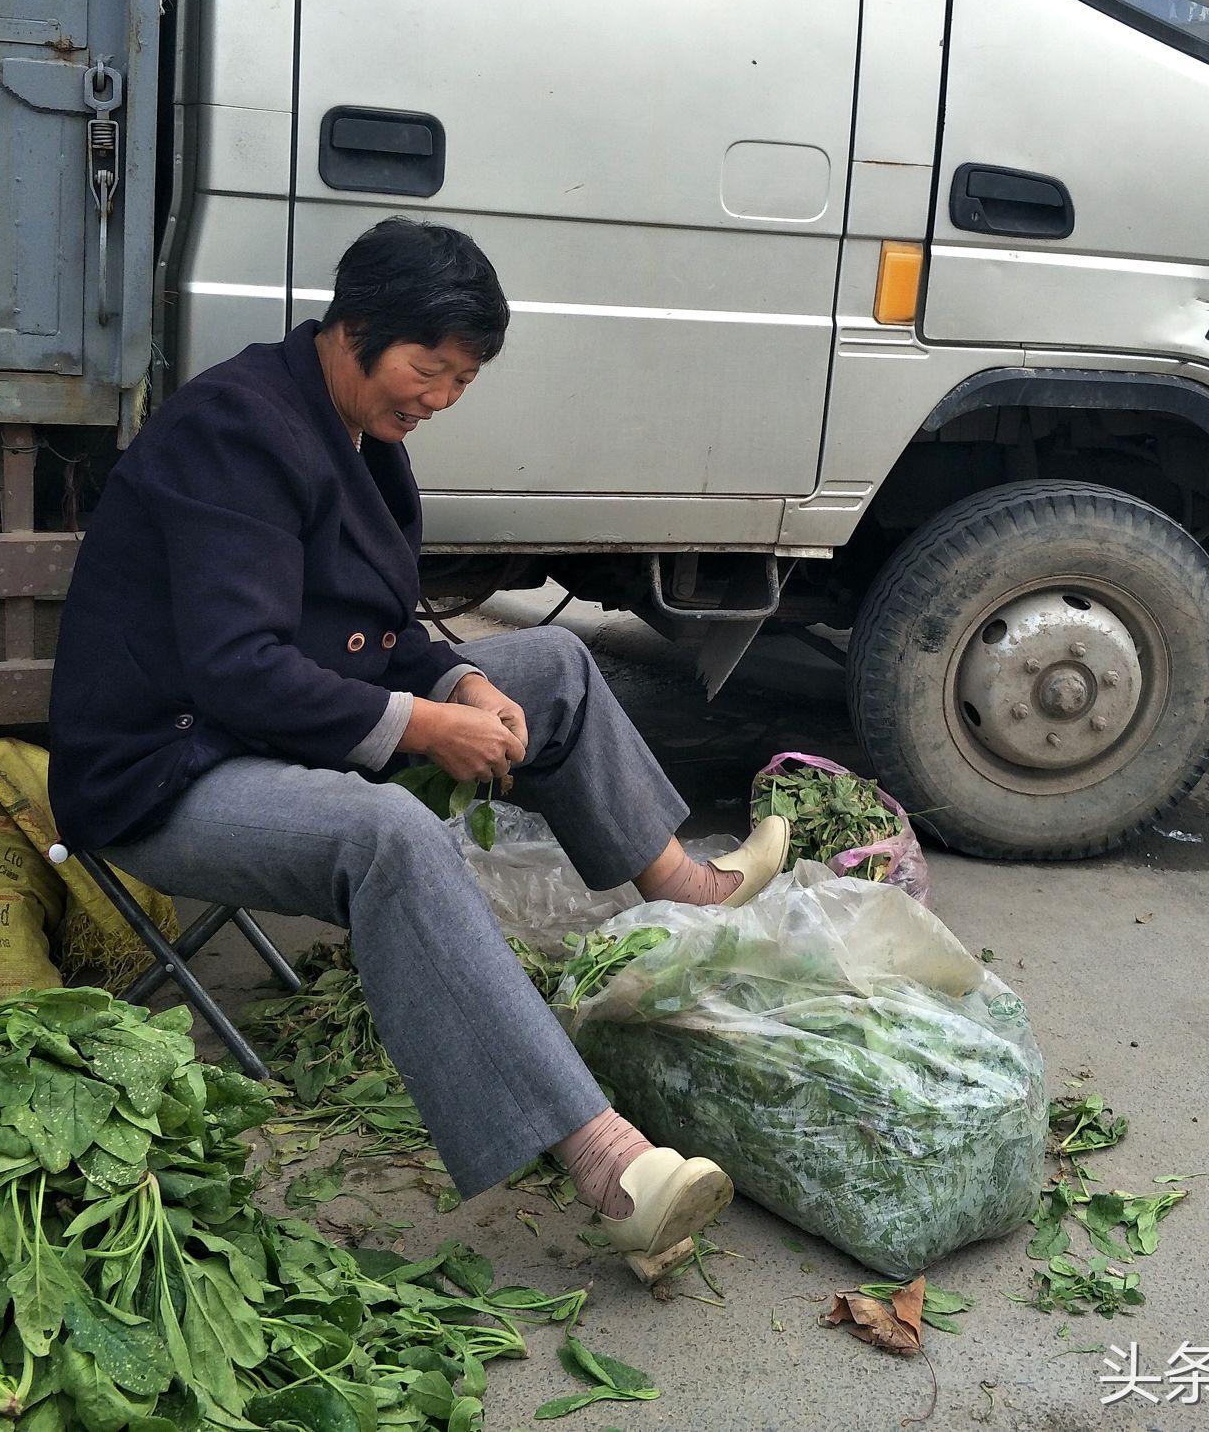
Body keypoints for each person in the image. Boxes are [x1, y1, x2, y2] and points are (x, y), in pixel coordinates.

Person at [48, 216, 789, 1258]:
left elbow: (379, 633)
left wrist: (462, 679)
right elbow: (234, 666)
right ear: (352, 329)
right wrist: (424, 725)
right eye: (424, 368)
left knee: (554, 666)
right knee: (385, 832)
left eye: (460, 381)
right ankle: (608, 1164)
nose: (435, 398)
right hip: (167, 769)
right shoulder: (237, 428)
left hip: (269, 731)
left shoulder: (364, 439)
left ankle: (680, 885)